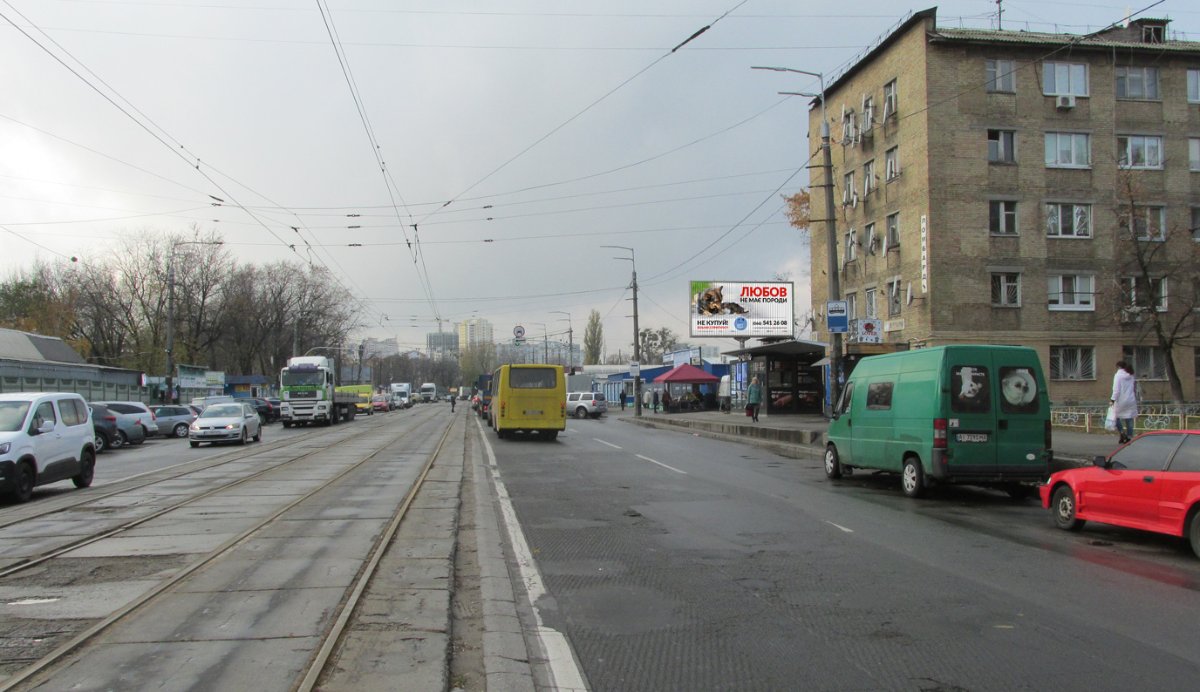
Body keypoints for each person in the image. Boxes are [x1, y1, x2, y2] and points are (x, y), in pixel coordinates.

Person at [1110, 360, 1137, 444]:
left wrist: (1112, 400)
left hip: (1120, 400)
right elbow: (1133, 387)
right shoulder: (1131, 375)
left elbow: (1116, 390)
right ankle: (1129, 437)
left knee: (1116, 417)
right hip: (1131, 400)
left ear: (1118, 367)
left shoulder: (1118, 376)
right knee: (1129, 419)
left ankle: (1122, 433)